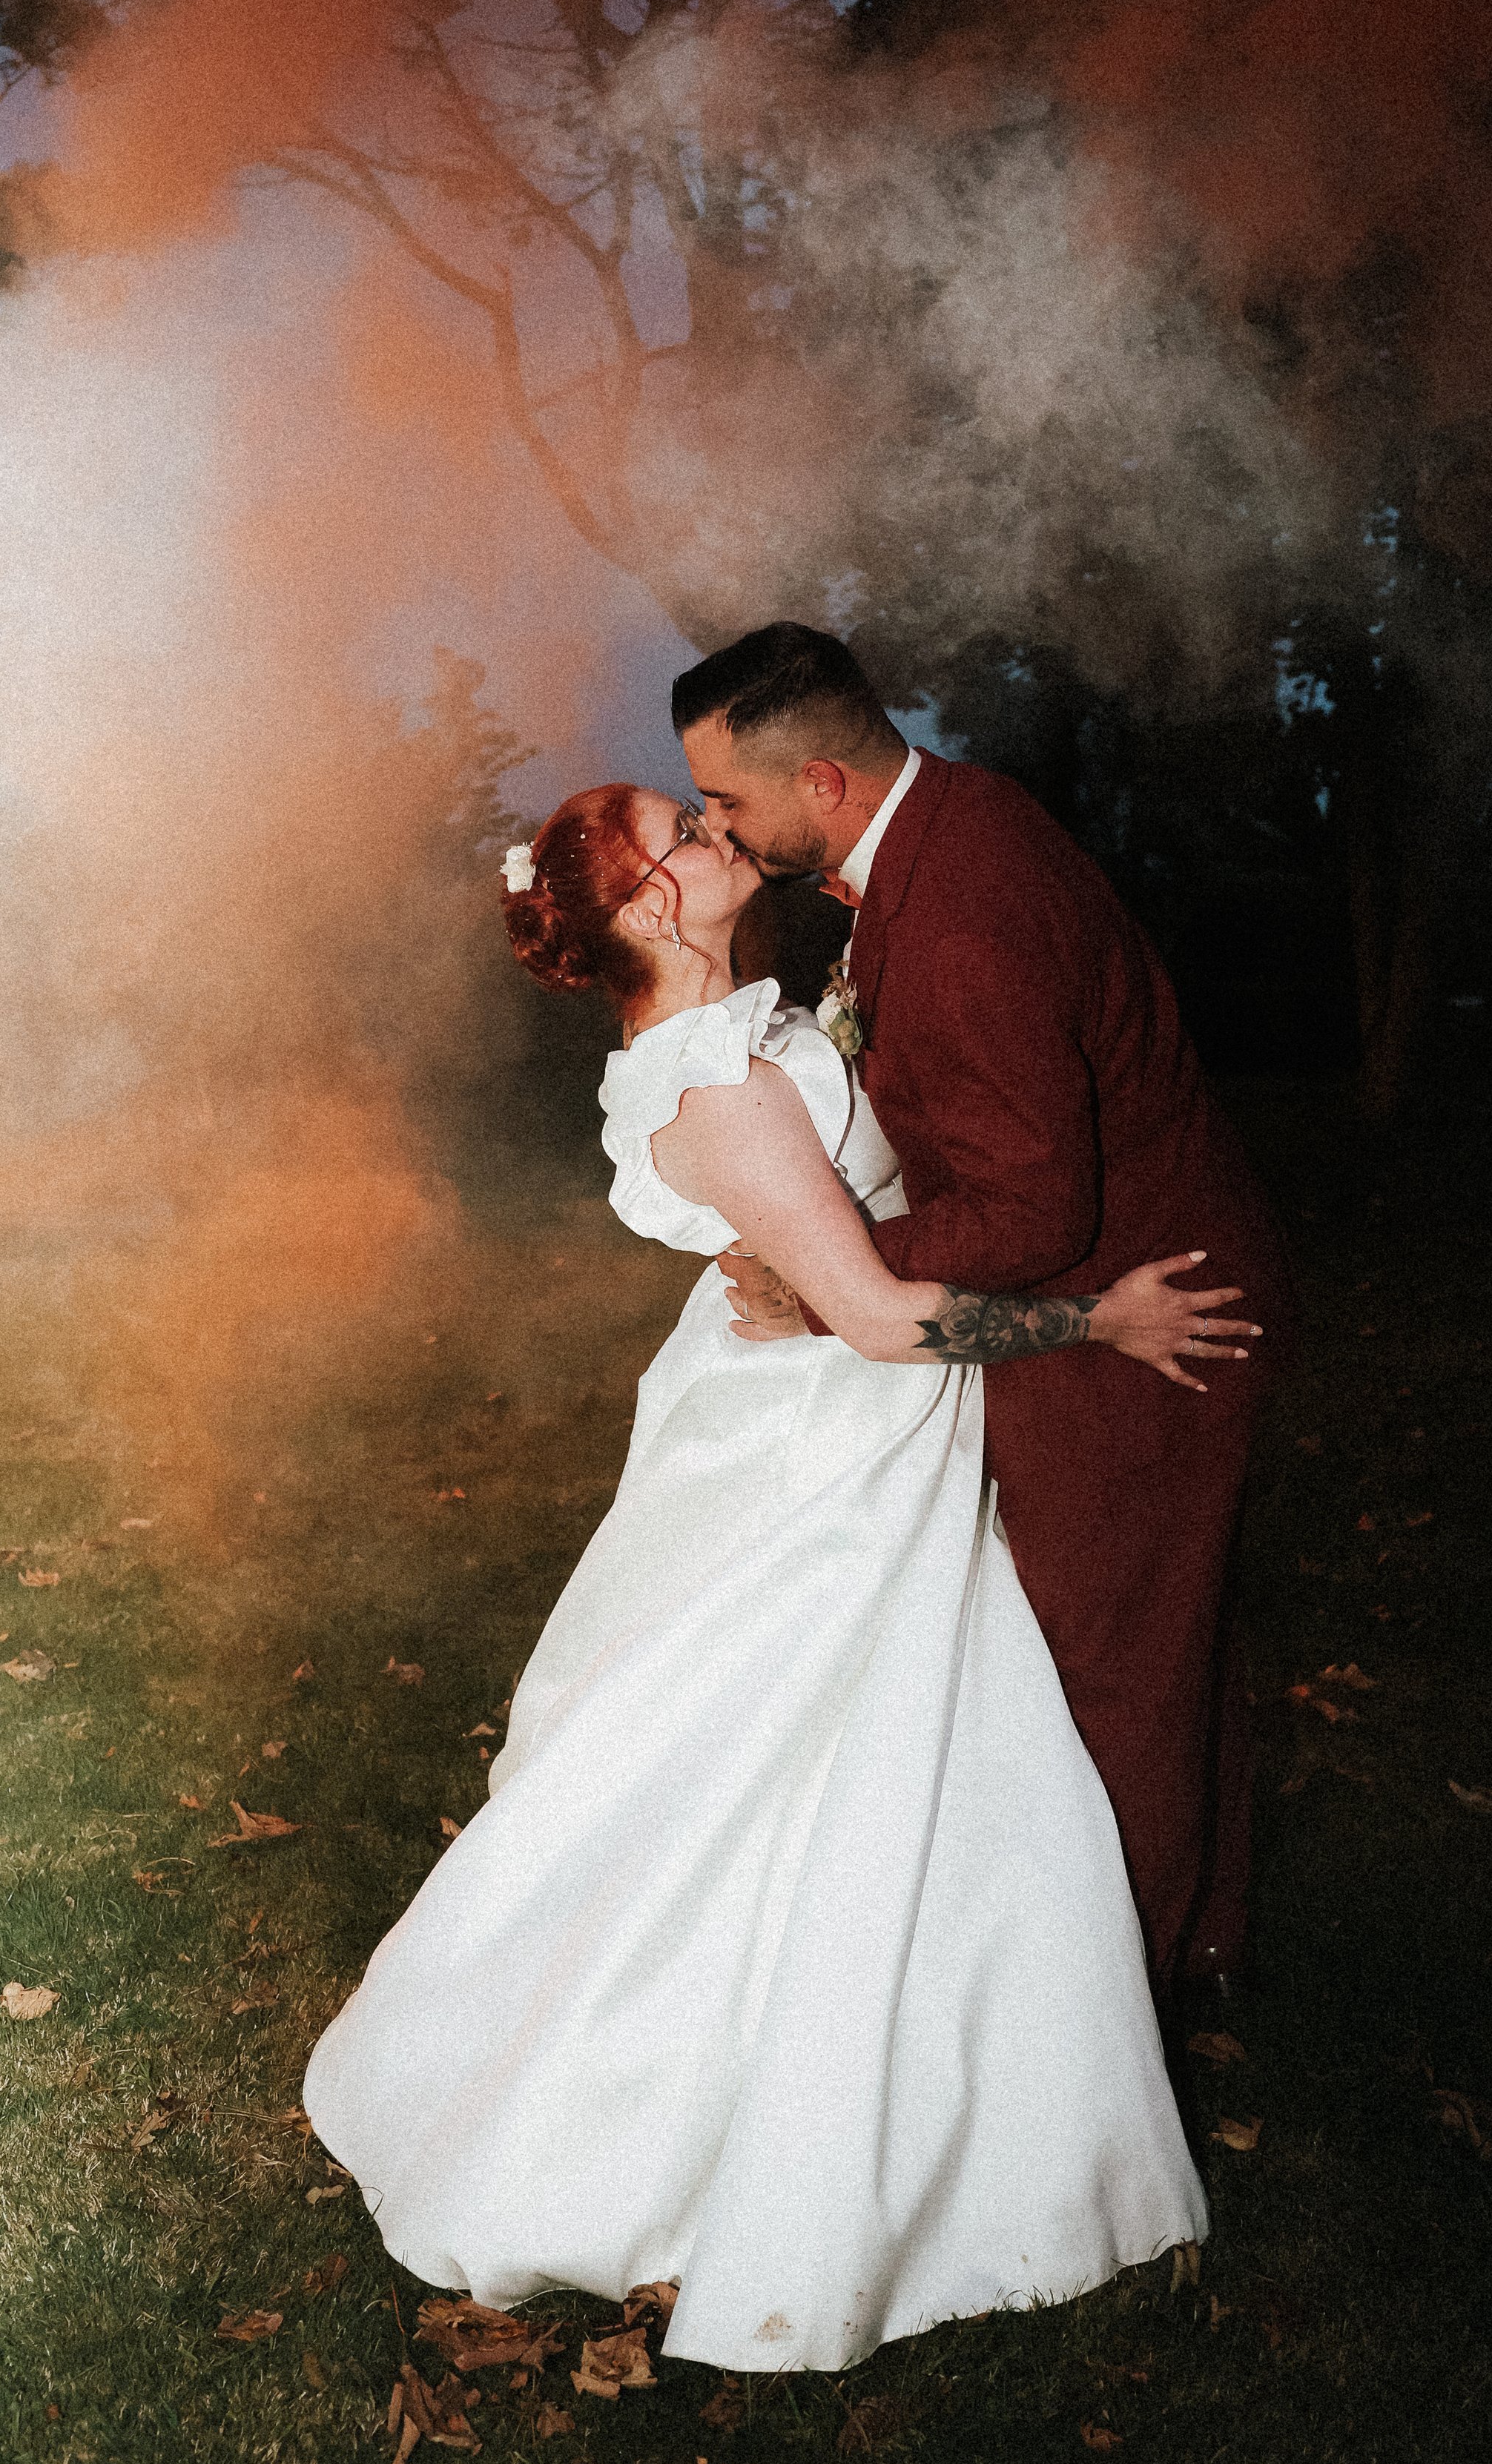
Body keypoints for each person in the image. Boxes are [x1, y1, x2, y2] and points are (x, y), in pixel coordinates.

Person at [300, 778, 1244, 2372]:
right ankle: (712, 2122)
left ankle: (968, 2084)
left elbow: (841, 1224)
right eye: (688, 832)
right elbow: (875, 1319)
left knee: (894, 1748)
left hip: (814, 1414)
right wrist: (1101, 1322)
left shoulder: (745, 1024)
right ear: (650, 908)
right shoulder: (714, 1090)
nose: (719, 833)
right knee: (782, 1753)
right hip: (822, 1447)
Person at [675, 624, 1294, 1992]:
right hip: (1116, 1279)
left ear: (823, 781)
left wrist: (828, 1265)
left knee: (1106, 1662)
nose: (716, 822)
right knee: (1154, 1630)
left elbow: (1031, 1212)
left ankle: (1122, 2009)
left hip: (1146, 1314)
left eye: (727, 799)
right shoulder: (948, 821)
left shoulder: (958, 914)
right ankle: (1197, 1938)